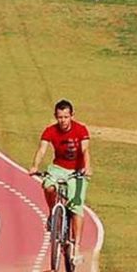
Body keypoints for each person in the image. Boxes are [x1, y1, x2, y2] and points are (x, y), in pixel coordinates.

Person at [28, 99, 92, 263]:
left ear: (71, 115)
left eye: (65, 117)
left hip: (76, 171)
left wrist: (87, 167)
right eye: (59, 117)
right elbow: (42, 149)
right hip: (58, 168)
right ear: (55, 117)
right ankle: (52, 214)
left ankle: (76, 247)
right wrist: (35, 166)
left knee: (76, 206)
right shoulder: (50, 131)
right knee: (48, 186)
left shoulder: (80, 130)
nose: (63, 120)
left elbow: (85, 150)